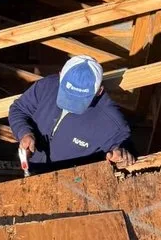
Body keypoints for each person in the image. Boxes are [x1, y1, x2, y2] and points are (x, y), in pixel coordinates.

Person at [8, 55, 136, 172]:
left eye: (79, 100)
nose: (69, 106)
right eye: (67, 95)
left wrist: (123, 155)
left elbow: (125, 149)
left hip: (72, 182)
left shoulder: (111, 122)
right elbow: (18, 109)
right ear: (60, 76)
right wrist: (24, 133)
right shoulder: (46, 86)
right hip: (33, 167)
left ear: (99, 91)